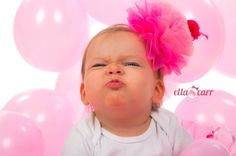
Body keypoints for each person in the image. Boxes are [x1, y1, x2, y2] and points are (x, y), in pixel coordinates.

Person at [61, 0, 202, 155]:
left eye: (131, 64)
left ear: (157, 90)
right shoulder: (83, 137)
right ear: (84, 93)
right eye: (99, 65)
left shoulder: (168, 128)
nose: (113, 69)